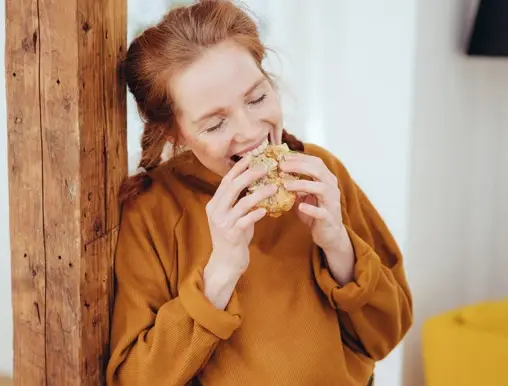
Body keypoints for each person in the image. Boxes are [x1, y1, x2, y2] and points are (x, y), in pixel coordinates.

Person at [106, 1, 413, 385]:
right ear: (174, 132)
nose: (252, 131)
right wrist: (220, 274)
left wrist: (339, 248)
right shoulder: (152, 211)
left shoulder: (322, 173)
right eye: (215, 123)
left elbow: (387, 336)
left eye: (257, 98)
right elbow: (133, 379)